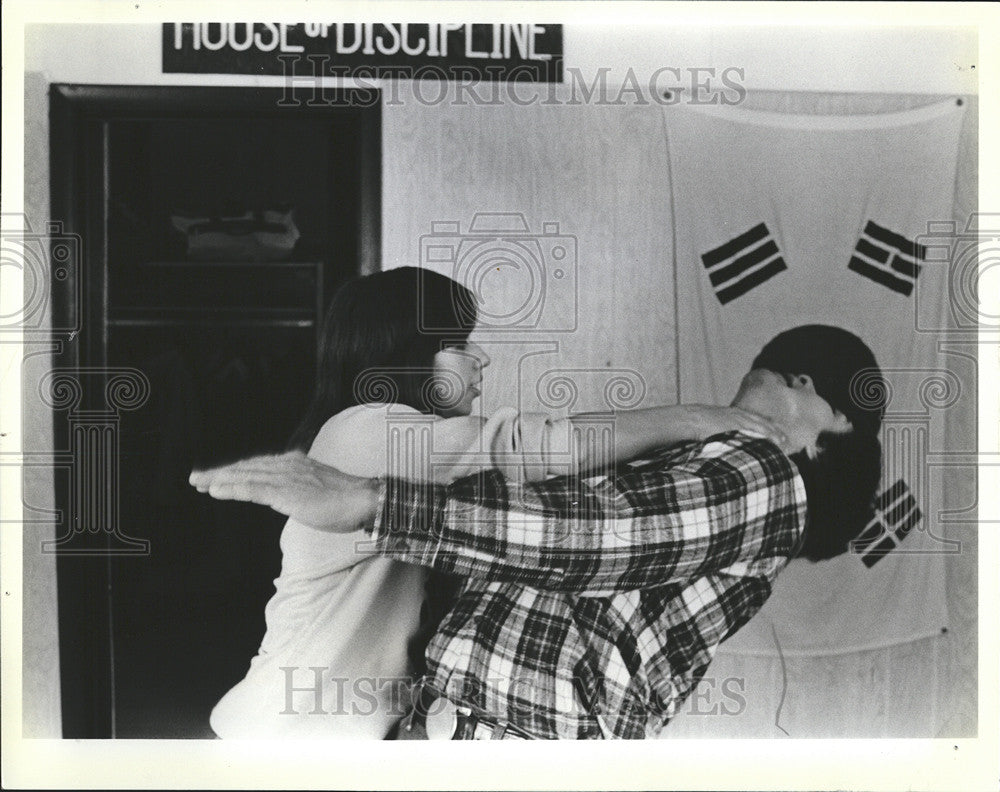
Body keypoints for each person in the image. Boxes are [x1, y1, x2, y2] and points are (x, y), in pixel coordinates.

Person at [193, 324, 883, 739]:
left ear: (814, 396)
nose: (740, 397)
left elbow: (592, 536)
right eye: (461, 345)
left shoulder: (762, 473)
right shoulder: (728, 468)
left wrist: (374, 503)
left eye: (758, 378)